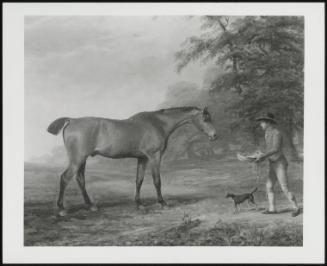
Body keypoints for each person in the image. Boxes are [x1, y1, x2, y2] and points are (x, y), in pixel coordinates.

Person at [255, 112, 301, 217]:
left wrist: (263, 156)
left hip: (280, 163)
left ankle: (296, 207)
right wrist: (260, 155)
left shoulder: (276, 133)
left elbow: (275, 149)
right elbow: (269, 149)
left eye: (262, 122)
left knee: (284, 187)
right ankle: (272, 209)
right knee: (269, 186)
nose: (261, 124)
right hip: (273, 163)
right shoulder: (267, 133)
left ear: (268, 123)